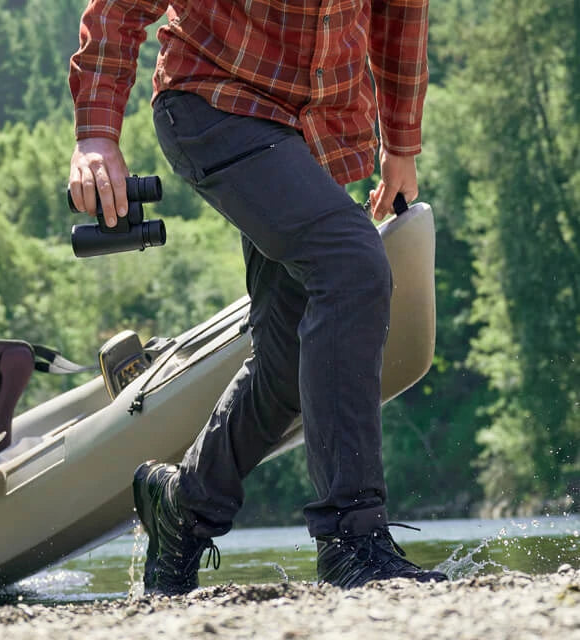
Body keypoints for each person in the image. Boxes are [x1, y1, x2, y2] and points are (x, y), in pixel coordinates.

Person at [68, 0, 447, 594]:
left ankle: (182, 506)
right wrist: (96, 132)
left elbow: (400, 11)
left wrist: (401, 144)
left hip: (317, 127)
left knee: (288, 358)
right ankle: (352, 539)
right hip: (215, 101)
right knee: (350, 266)